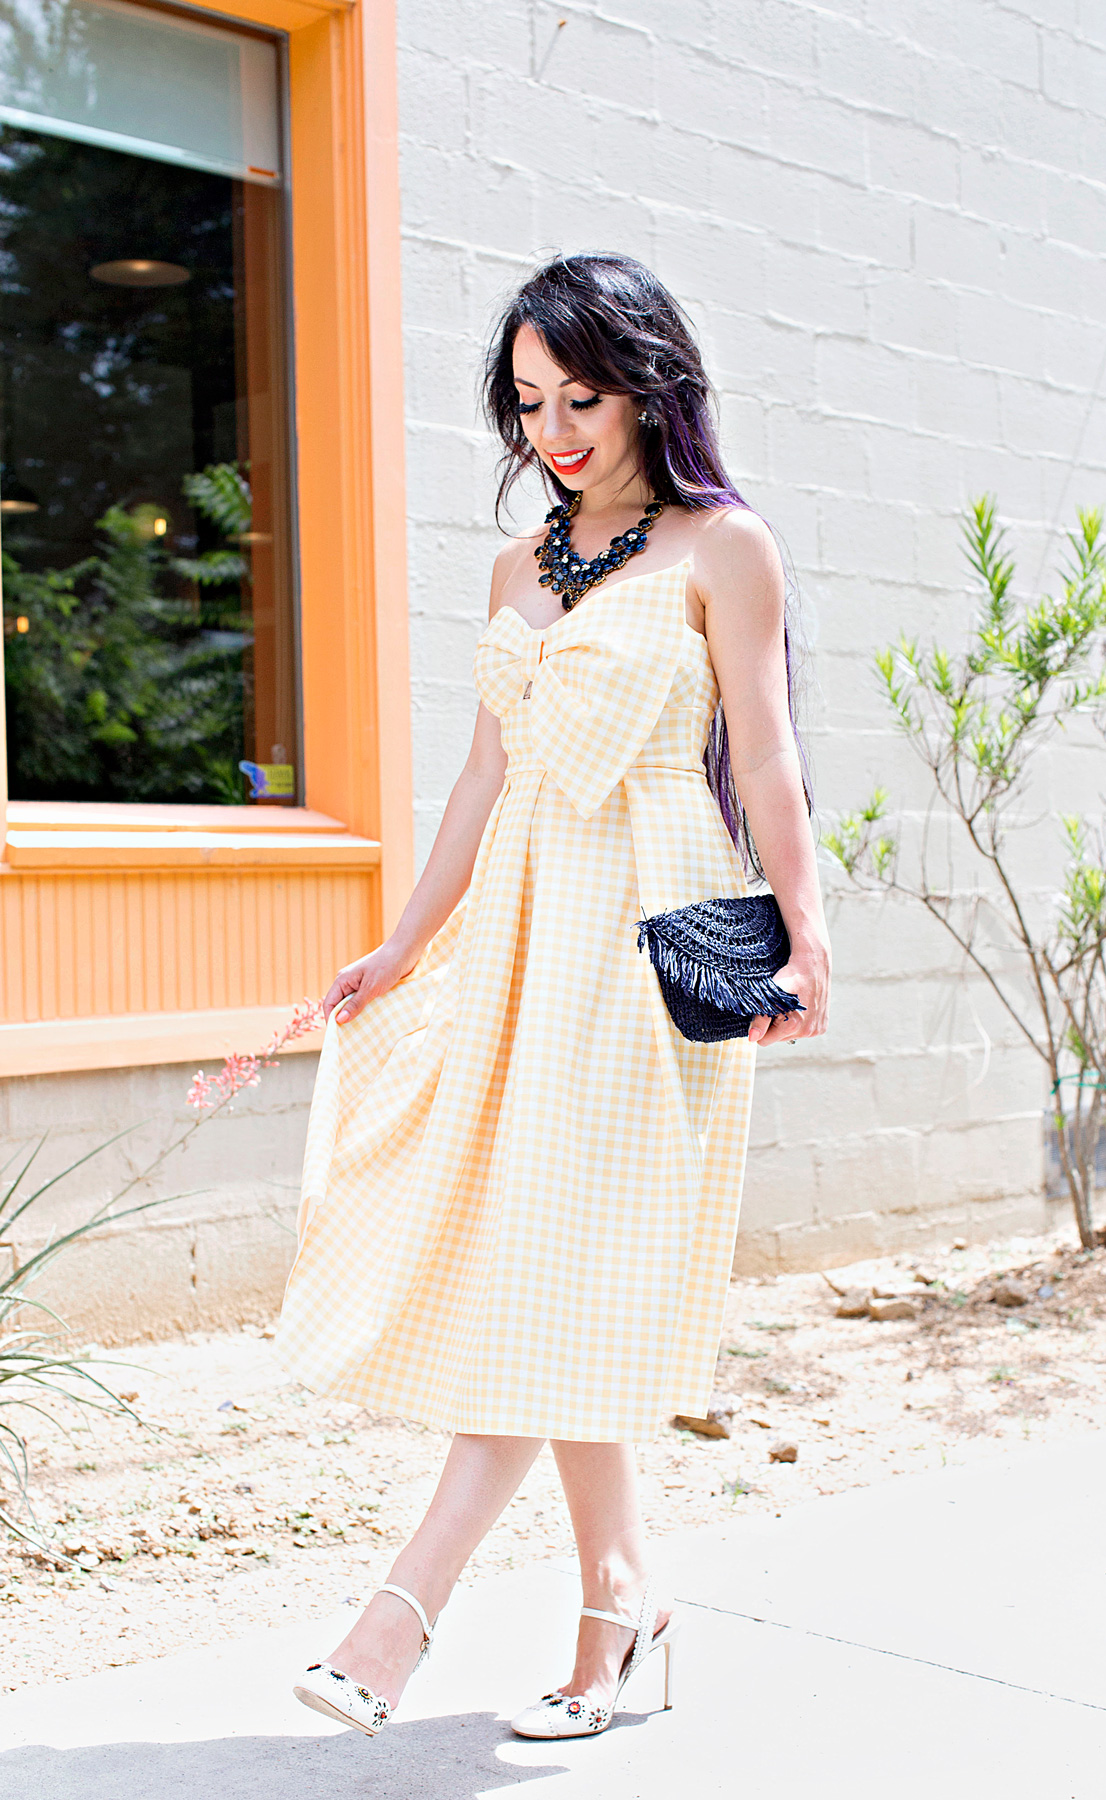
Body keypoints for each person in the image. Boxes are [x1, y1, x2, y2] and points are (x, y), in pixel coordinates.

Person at [277, 252, 831, 1741]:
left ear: (649, 378)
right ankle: (624, 1605)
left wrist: (808, 927)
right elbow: (481, 777)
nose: (558, 430)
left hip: (644, 936)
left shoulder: (726, 548)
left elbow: (766, 756)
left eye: (581, 394)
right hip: (519, 937)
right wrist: (400, 948)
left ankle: (399, 1619)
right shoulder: (519, 568)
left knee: (549, 1268)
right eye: (530, 404)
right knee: (550, 1272)